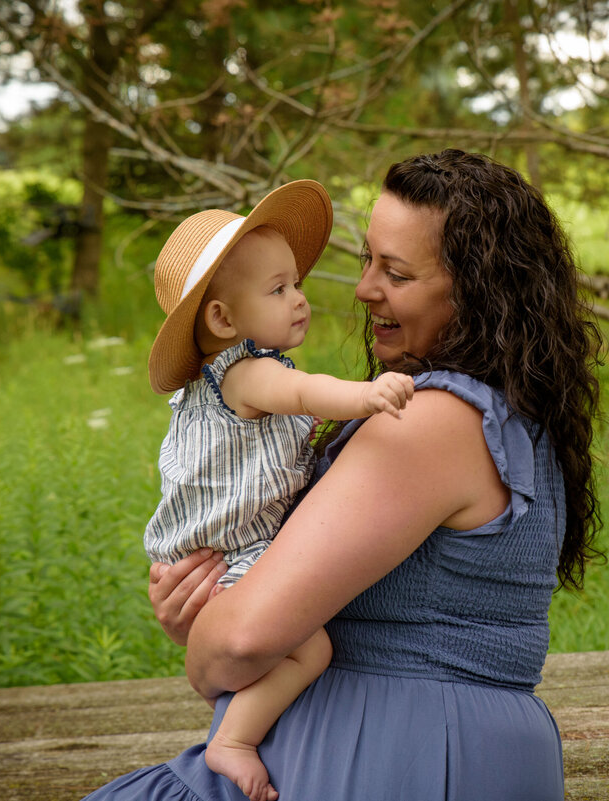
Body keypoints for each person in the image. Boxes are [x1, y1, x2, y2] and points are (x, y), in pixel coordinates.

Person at [82, 149, 602, 801]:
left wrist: (205, 642)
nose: (363, 288)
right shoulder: (504, 415)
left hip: (396, 754)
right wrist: (212, 612)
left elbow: (242, 640)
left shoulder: (428, 422)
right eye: (367, 259)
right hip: (437, 746)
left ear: (475, 290)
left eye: (397, 271)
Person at [141, 179, 415, 801]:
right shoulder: (248, 373)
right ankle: (232, 741)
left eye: (296, 283)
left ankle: (241, 733)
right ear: (222, 319)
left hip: (225, 551)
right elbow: (306, 392)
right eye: (279, 289)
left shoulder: (219, 384)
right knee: (308, 650)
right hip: (236, 555)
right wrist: (366, 397)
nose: (300, 299)